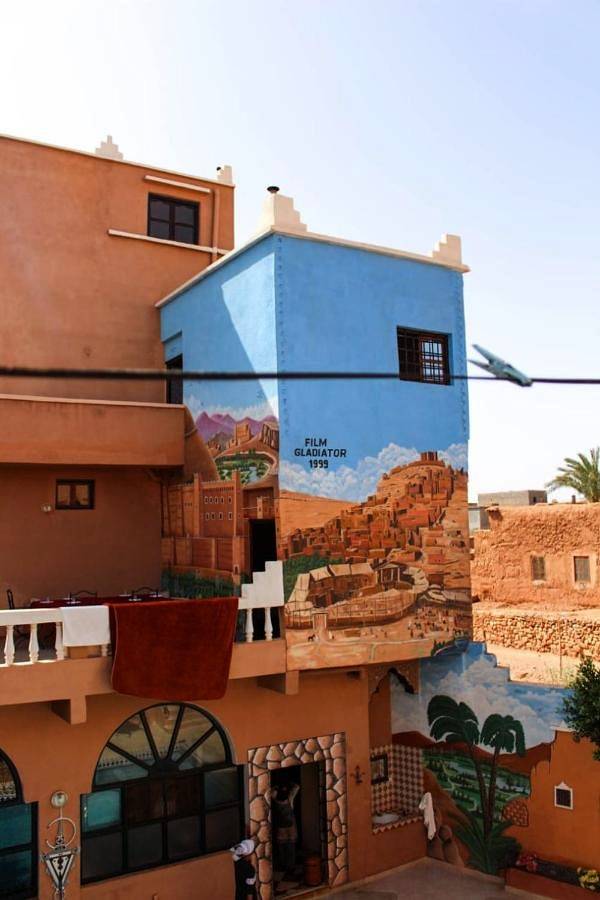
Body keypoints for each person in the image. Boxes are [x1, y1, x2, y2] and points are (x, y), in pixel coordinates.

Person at [271, 782, 300, 876]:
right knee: (291, 848)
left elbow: (272, 792)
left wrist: (276, 786)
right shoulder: (289, 799)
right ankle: (291, 866)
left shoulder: (275, 800)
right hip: (291, 828)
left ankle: (282, 864)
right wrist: (289, 784)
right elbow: (296, 787)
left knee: (282, 848)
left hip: (280, 828)